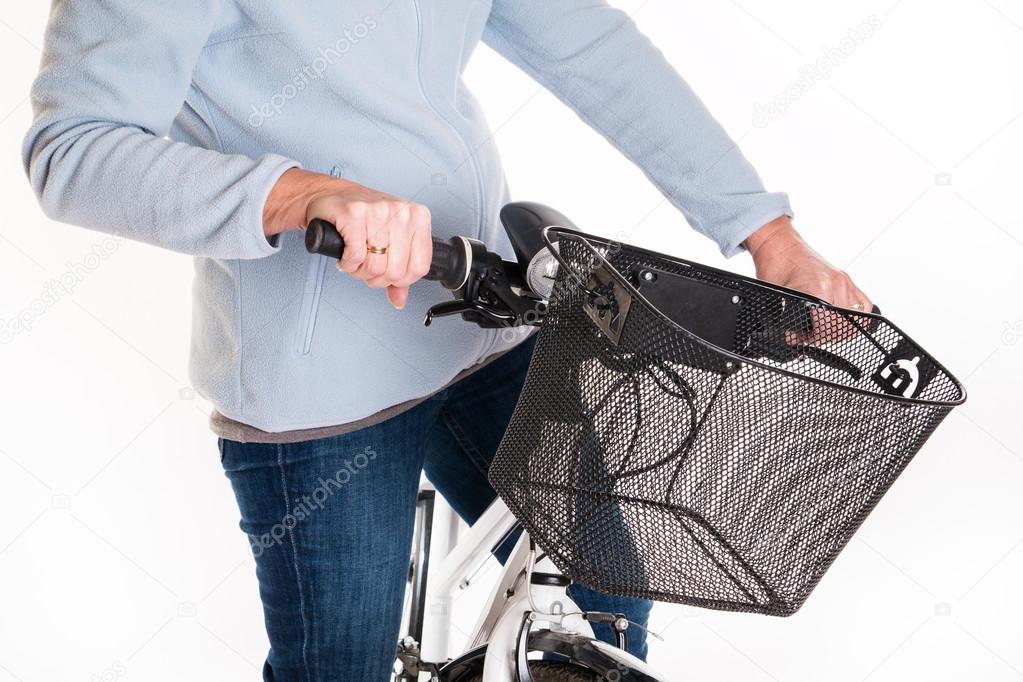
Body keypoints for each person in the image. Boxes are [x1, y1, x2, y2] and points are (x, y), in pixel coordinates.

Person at [23, 2, 872, 680]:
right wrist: (300, 192)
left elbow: (593, 50)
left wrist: (765, 232)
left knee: (606, 585)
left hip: (485, 315)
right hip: (320, 388)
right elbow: (72, 151)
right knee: (339, 665)